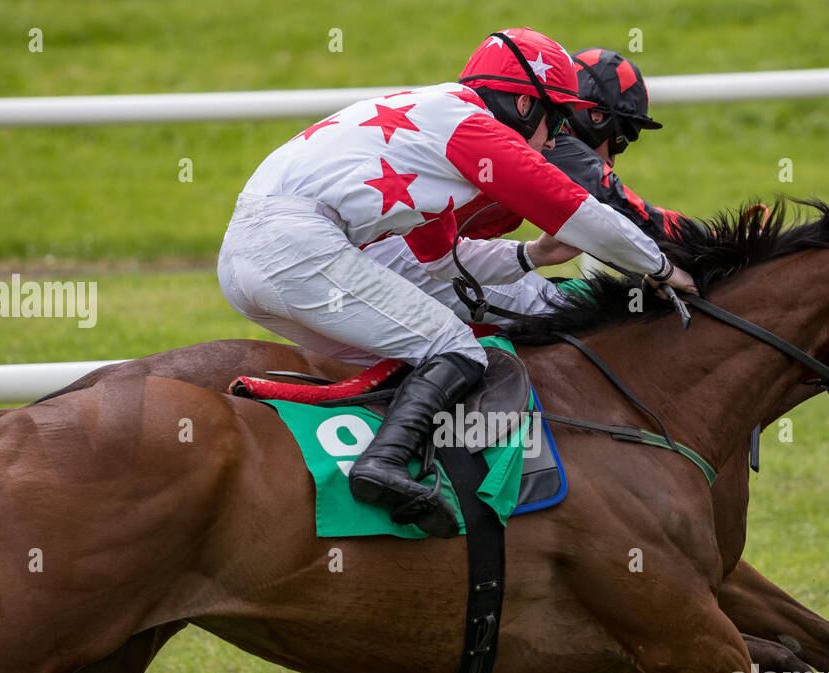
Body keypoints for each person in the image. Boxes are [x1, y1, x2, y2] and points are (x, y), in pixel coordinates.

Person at [217, 28, 696, 537]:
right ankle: (383, 467)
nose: (556, 139)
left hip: (247, 261)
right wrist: (664, 268)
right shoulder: (474, 130)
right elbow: (582, 212)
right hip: (295, 248)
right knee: (457, 349)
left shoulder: (428, 133)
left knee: (407, 362)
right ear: (520, 103)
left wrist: (532, 255)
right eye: (554, 118)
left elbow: (441, 263)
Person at [362, 46, 689, 320]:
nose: (615, 159)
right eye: (622, 138)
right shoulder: (556, 147)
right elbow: (630, 215)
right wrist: (720, 247)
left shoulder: (508, 130)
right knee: (577, 317)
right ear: (596, 118)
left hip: (407, 253)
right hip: (403, 256)